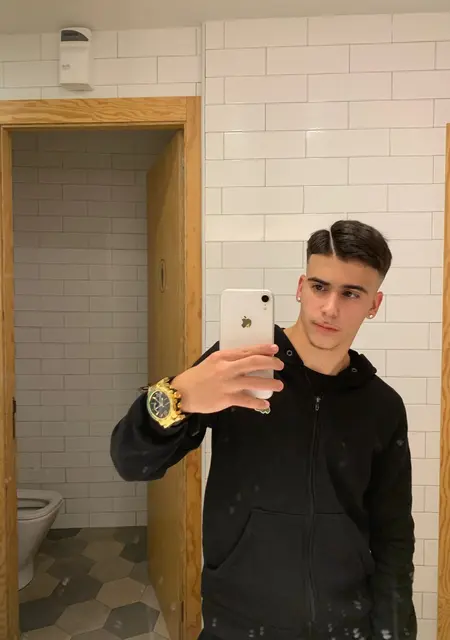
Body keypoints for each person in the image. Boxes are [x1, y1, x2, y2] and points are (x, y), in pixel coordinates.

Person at [111, 220, 416, 640]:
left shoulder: (382, 406)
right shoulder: (239, 368)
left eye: (351, 293)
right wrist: (176, 394)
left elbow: (393, 532)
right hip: (237, 622)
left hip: (345, 625)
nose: (330, 308)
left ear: (374, 304)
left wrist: (395, 631)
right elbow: (131, 462)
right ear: (300, 287)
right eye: (320, 287)